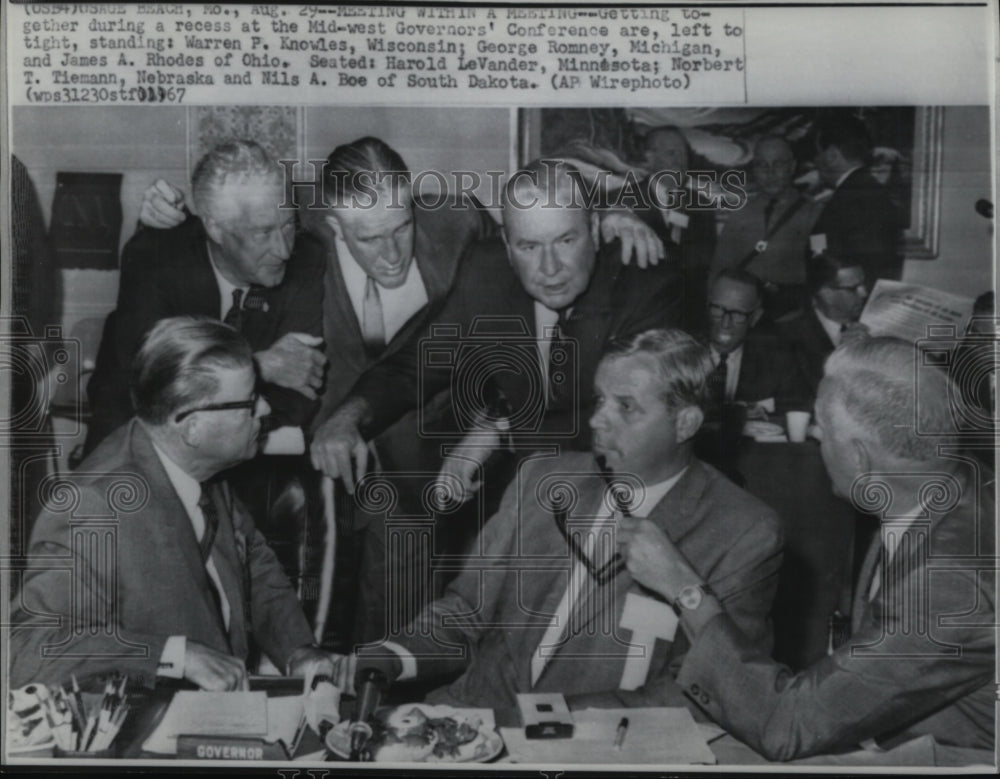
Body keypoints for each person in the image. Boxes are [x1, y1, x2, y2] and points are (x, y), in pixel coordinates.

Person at [311, 159, 682, 647]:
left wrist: (494, 433)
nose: (549, 269)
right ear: (507, 247)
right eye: (529, 246)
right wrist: (348, 415)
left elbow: (618, 424)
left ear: (595, 228)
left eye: (566, 241)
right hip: (529, 502)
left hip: (630, 509)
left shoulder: (644, 280)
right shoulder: (485, 270)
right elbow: (417, 362)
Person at [348, 329, 783, 711]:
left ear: (685, 423)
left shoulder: (744, 531)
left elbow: (708, 692)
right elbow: (465, 615)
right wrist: (391, 655)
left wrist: (547, 721)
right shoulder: (542, 477)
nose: (596, 420)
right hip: (469, 720)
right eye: (600, 399)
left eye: (625, 407)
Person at [640, 336, 995, 760]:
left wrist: (684, 588)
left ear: (861, 459)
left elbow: (788, 727)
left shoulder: (950, 584)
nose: (812, 434)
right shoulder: (945, 494)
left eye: (822, 430)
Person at [10, 317, 333, 690]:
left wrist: (297, 649)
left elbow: (252, 563)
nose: (263, 409)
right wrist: (172, 655)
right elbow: (26, 650)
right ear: (193, 426)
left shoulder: (200, 464)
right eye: (249, 401)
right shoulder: (95, 506)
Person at [85, 140, 326, 454]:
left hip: (253, 449)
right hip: (141, 444)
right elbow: (149, 388)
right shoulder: (153, 258)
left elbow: (299, 392)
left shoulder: (306, 258)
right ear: (215, 227)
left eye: (288, 225)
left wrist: (214, 404)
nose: (283, 250)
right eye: (262, 233)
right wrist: (257, 367)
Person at [696, 269, 806, 483]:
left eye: (737, 315)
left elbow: (798, 412)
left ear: (755, 317)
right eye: (718, 309)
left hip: (754, 473)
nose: (725, 323)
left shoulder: (777, 359)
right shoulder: (681, 352)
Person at [711, 135, 822, 320]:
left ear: (792, 166)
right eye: (762, 165)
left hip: (793, 317)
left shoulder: (814, 214)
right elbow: (719, 270)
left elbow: (821, 270)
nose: (770, 173)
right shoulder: (740, 215)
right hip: (745, 315)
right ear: (754, 169)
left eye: (778, 164)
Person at [631, 125, 718, 331]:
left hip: (688, 323)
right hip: (638, 322)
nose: (681, 161)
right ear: (650, 159)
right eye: (672, 153)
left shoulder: (702, 204)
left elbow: (707, 265)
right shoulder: (623, 201)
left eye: (683, 154)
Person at [810, 114, 902, 283]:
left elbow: (866, 268)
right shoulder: (866, 191)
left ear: (832, 155)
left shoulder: (851, 199)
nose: (815, 161)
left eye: (816, 153)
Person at [778, 252, 870, 401]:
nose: (864, 293)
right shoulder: (787, 333)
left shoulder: (872, 323)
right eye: (853, 289)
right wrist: (843, 355)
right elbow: (799, 394)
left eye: (863, 284)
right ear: (826, 294)